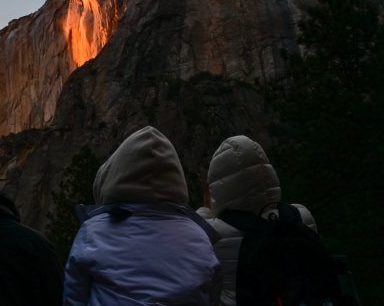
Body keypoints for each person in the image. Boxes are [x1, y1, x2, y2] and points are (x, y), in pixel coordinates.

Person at [63, 126, 223, 306]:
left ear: (115, 177)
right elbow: (213, 296)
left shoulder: (92, 232)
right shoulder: (200, 236)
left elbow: (74, 298)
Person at [197, 135, 317, 306]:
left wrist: (208, 203)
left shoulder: (210, 232)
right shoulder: (301, 217)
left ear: (219, 184)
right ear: (266, 172)